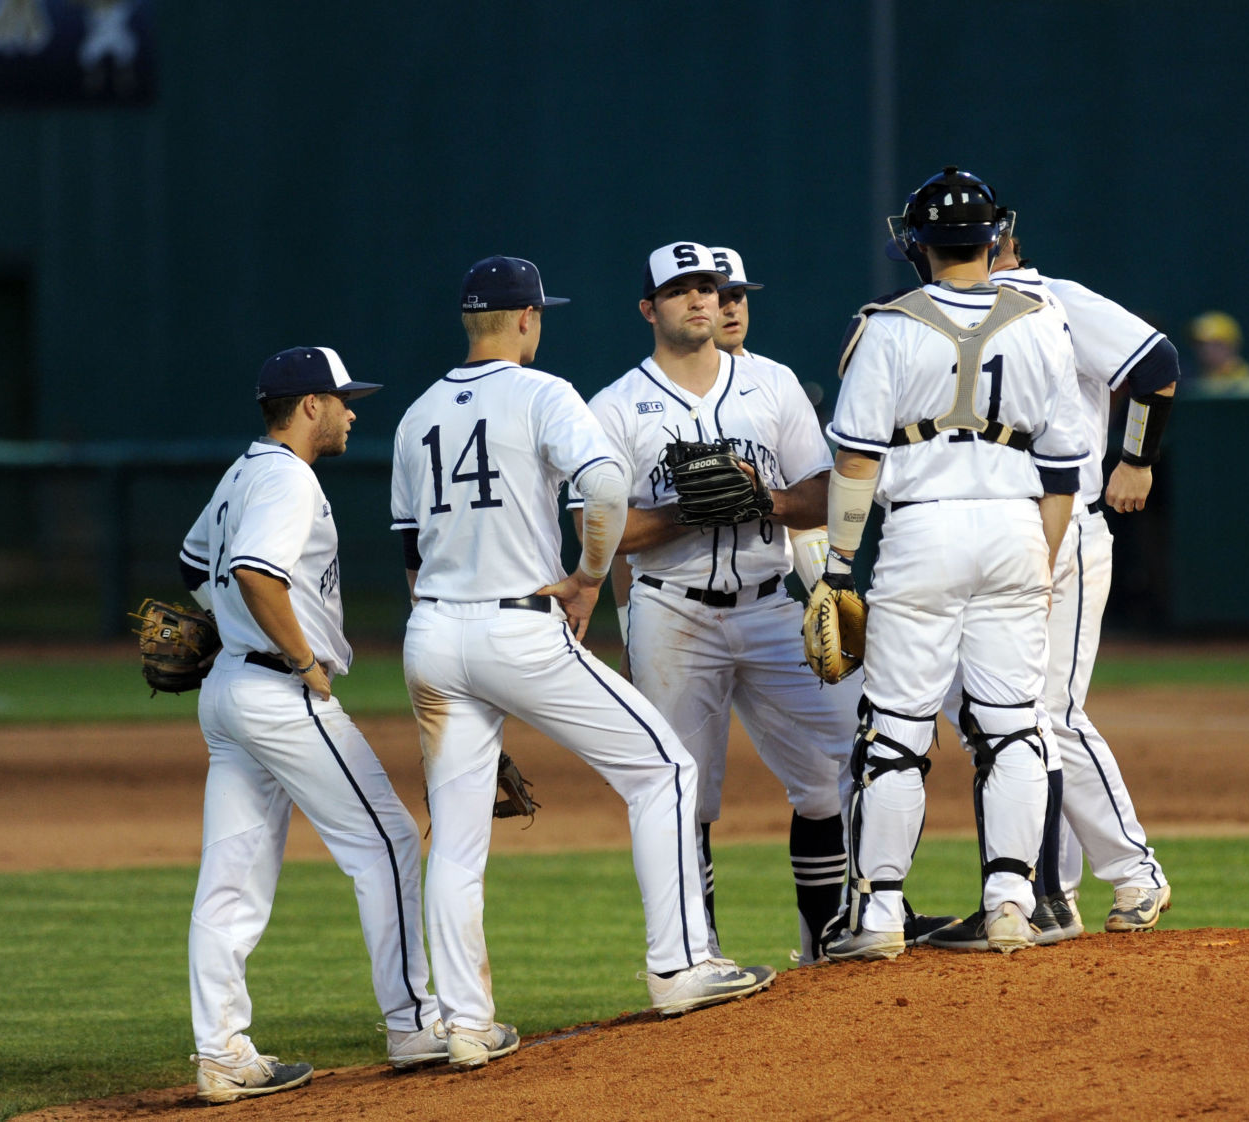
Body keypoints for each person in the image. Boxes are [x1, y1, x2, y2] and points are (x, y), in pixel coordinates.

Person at [390, 256, 773, 1066]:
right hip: (518, 627)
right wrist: (591, 578)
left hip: (431, 636)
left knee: (456, 840)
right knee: (665, 770)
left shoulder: (415, 414)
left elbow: (409, 554)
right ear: (527, 318)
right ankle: (680, 964)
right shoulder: (543, 392)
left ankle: (461, 1026)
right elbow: (604, 487)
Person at [816, 166, 1088, 959]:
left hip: (923, 532)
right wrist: (1039, 564)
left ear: (918, 244)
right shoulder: (1042, 321)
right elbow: (1066, 467)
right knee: (1013, 729)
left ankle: (880, 917)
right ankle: (1009, 902)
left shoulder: (890, 325)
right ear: (994, 236)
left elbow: (858, 461)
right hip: (1014, 526)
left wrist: (836, 566)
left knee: (895, 734)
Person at [178, 346, 442, 1104]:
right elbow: (256, 573)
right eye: (342, 399)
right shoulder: (291, 479)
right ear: (309, 407)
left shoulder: (244, 470)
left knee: (229, 882)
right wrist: (301, 659)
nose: (352, 410)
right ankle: (414, 1023)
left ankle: (223, 1052)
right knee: (386, 840)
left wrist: (225, 625)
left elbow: (196, 564)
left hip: (229, 692)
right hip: (276, 691)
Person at [588, 242, 851, 963]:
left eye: (710, 287)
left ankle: (833, 936)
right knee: (684, 796)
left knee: (854, 756)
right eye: (682, 290)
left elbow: (828, 490)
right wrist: (687, 512)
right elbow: (602, 534)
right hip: (673, 614)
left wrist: (761, 498)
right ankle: (696, 954)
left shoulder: (773, 385)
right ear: (649, 309)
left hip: (774, 606)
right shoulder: (612, 407)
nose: (703, 300)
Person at [987, 232, 1177, 936]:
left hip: (1072, 529)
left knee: (1050, 715)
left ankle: (1134, 872)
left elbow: (1157, 361)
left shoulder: (1057, 300)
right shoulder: (947, 317)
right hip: (999, 538)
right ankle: (1052, 889)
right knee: (1010, 715)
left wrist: (1138, 458)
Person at [1187, 311, 1249, 392]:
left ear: (1233, 345)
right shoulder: (1189, 382)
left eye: (1216, 344)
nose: (1206, 350)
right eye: (1199, 344)